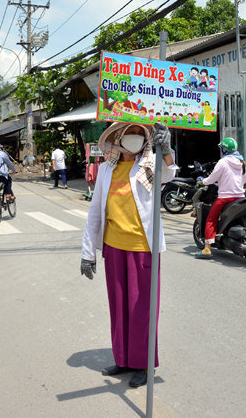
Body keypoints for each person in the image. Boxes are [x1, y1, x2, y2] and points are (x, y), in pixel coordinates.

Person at [80, 122, 176, 388]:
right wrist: (88, 253)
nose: (135, 139)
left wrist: (166, 148)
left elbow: (168, 173)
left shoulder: (149, 165)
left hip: (142, 248)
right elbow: (95, 212)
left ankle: (144, 365)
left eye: (139, 135)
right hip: (113, 247)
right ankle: (123, 359)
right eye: (130, 134)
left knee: (142, 309)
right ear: (118, 139)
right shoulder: (106, 169)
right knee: (119, 306)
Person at [195, 137, 246, 259]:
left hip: (225, 198)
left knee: (210, 219)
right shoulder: (242, 163)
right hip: (240, 197)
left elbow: (212, 179)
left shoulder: (222, 162)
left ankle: (207, 249)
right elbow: (243, 180)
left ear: (224, 150)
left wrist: (203, 181)